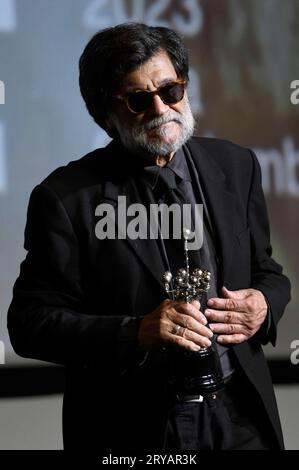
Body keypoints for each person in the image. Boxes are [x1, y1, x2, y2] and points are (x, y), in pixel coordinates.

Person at [8, 22, 290, 451]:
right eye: (139, 100)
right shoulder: (66, 198)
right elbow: (29, 324)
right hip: (136, 428)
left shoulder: (236, 165)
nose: (161, 109)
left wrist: (264, 304)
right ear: (106, 114)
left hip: (241, 415)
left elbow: (267, 270)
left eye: (171, 90)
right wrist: (135, 331)